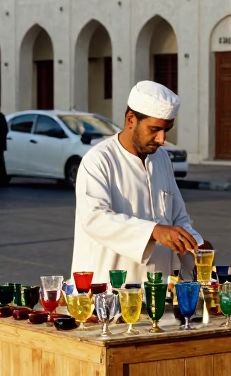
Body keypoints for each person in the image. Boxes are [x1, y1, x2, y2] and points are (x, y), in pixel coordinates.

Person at [72, 80, 204, 285]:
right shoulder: (99, 160)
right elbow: (95, 218)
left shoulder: (161, 159)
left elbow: (178, 218)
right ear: (131, 119)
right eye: (155, 129)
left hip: (159, 293)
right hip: (107, 294)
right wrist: (154, 231)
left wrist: (196, 245)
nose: (162, 139)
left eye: (166, 129)